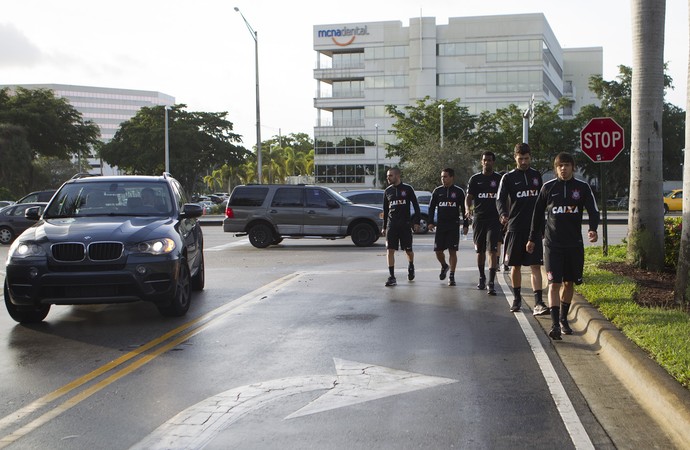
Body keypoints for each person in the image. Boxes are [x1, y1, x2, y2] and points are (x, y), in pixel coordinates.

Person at [527, 152, 599, 340]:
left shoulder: (582, 188)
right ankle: (554, 325)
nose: (563, 169)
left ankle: (563, 319)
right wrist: (532, 239)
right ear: (555, 168)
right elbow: (536, 215)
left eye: (567, 165)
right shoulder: (548, 187)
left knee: (568, 283)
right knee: (554, 283)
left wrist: (592, 229)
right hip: (553, 245)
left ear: (572, 167)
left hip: (574, 245)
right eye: (560, 166)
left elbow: (593, 210)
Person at [496, 143, 548, 314]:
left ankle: (539, 301)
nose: (524, 161)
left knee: (535, 265)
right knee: (515, 265)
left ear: (530, 157)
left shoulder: (536, 176)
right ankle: (517, 299)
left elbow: (542, 202)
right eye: (520, 158)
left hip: (533, 228)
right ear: (515, 158)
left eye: (526, 158)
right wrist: (503, 214)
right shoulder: (508, 178)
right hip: (515, 228)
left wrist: (543, 226)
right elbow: (500, 199)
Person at [465, 152, 503, 295]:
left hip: (494, 219)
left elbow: (506, 198)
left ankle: (491, 282)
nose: (486, 162)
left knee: (492, 250)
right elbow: (468, 197)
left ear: (493, 162)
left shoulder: (499, 179)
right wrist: (468, 208)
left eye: (489, 160)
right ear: (481, 162)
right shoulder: (475, 179)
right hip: (479, 220)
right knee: (480, 251)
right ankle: (482, 276)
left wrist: (505, 213)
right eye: (484, 160)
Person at [428, 168, 469, 286]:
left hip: (453, 225)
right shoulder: (437, 191)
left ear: (451, 177)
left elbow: (464, 209)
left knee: (452, 251)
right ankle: (444, 265)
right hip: (441, 225)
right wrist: (430, 222)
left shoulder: (459, 192)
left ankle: (452, 275)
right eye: (441, 177)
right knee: (438, 251)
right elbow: (431, 208)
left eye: (445, 177)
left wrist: (465, 225)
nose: (443, 179)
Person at [382, 167, 421, 287]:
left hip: (405, 225)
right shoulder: (387, 191)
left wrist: (416, 222)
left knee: (408, 250)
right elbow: (385, 210)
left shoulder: (407, 189)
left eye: (390, 176)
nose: (388, 178)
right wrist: (384, 226)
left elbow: (416, 206)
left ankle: (411, 265)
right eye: (388, 176)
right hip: (392, 225)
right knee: (390, 250)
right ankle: (392, 276)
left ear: (397, 176)